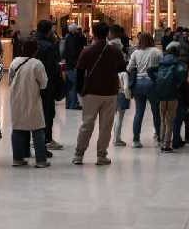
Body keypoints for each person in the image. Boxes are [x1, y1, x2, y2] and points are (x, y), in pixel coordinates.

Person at [72, 22, 126, 166]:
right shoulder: (115, 51)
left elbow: (79, 72)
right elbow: (122, 68)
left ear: (93, 34)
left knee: (87, 124)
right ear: (107, 33)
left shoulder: (87, 51)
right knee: (106, 126)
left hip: (91, 92)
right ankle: (101, 155)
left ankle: (79, 154)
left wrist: (79, 91)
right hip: (110, 92)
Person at [8, 38, 49, 167]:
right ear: (35, 50)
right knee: (37, 129)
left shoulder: (14, 62)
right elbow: (44, 83)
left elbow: (10, 80)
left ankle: (18, 158)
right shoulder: (37, 64)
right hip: (32, 99)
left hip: (16, 99)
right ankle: (41, 160)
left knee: (18, 128)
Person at [125, 33, 162, 147]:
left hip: (138, 85)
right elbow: (163, 65)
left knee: (139, 112)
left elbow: (129, 68)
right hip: (152, 83)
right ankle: (158, 135)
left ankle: (136, 140)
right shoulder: (156, 51)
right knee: (156, 111)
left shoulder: (136, 52)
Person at [34, 20, 63, 150]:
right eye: (51, 29)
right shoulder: (49, 46)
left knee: (35, 111)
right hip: (47, 83)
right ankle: (47, 138)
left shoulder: (31, 42)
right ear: (47, 31)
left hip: (32, 82)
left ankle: (36, 138)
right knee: (48, 112)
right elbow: (52, 67)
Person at [153, 42, 186, 152]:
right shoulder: (177, 63)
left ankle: (161, 141)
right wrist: (178, 84)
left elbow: (150, 70)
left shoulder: (161, 62)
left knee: (162, 118)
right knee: (170, 120)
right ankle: (167, 145)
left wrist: (155, 81)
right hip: (172, 94)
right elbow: (181, 74)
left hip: (160, 93)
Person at [61, 24, 86, 110]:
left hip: (69, 64)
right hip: (72, 65)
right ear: (73, 30)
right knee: (73, 85)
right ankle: (73, 104)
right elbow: (73, 52)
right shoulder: (72, 38)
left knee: (69, 85)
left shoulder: (68, 38)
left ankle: (69, 104)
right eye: (76, 30)